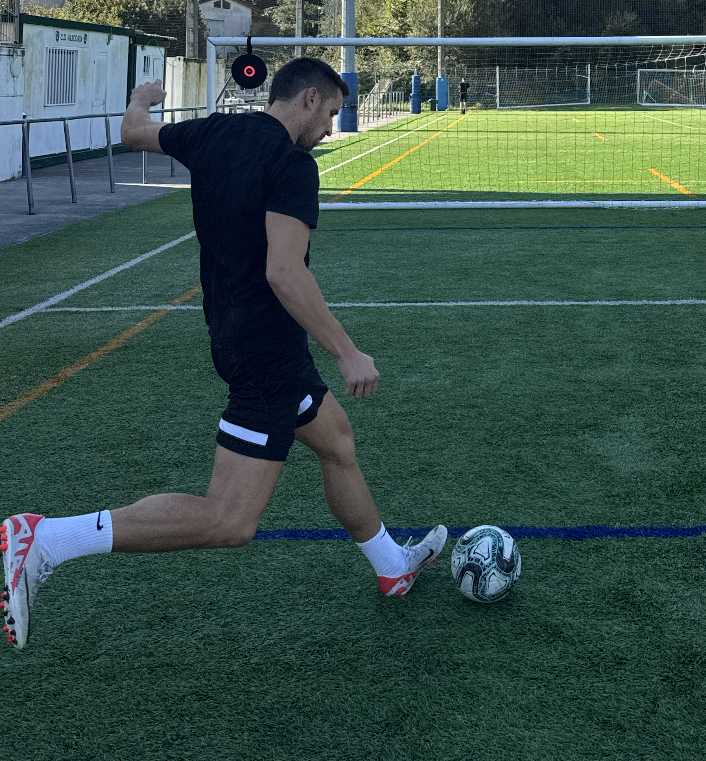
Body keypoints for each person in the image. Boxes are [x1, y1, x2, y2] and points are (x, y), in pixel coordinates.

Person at [2, 58, 447, 651]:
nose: (330, 129)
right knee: (230, 520)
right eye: (332, 114)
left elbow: (133, 132)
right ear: (308, 98)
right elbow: (284, 272)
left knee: (337, 443)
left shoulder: (212, 132)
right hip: (265, 353)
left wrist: (141, 98)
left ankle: (392, 566)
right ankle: (44, 539)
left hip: (239, 336)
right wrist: (347, 351)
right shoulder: (291, 164)